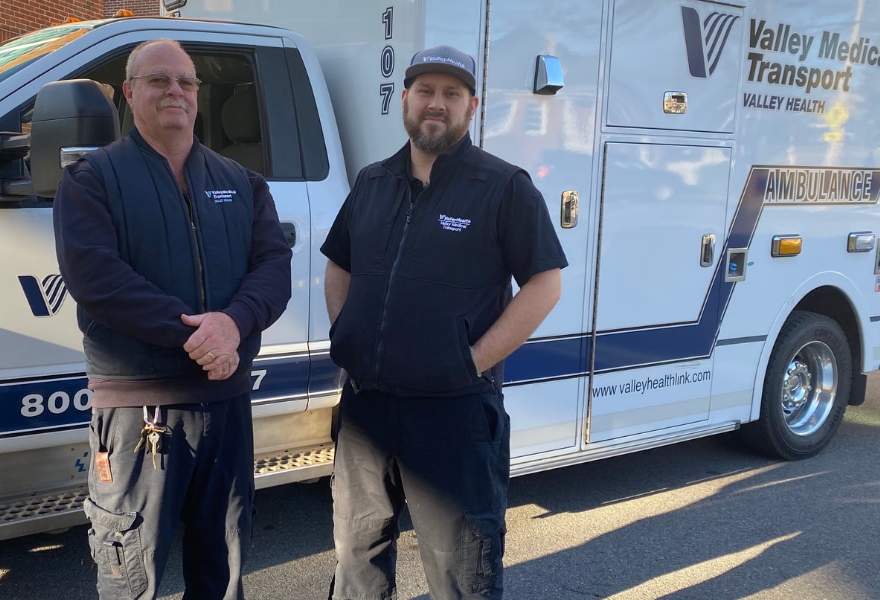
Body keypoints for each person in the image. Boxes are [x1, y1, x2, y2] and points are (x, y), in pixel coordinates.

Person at [321, 45, 567, 599]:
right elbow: (339, 262)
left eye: (451, 94)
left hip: (453, 414)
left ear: (471, 106)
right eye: (426, 91)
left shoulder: (503, 187)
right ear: (405, 99)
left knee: (461, 573)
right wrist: (347, 335)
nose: (437, 104)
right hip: (367, 407)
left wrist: (471, 361)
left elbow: (545, 284)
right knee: (356, 561)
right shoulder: (372, 182)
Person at [52, 39, 292, 600]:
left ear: (198, 96)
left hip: (226, 404)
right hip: (141, 410)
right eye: (158, 80)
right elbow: (97, 279)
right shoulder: (92, 180)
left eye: (186, 82)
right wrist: (199, 334)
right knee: (134, 572)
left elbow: (272, 266)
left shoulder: (241, 181)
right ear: (130, 93)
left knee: (225, 564)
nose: (175, 92)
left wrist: (232, 325)